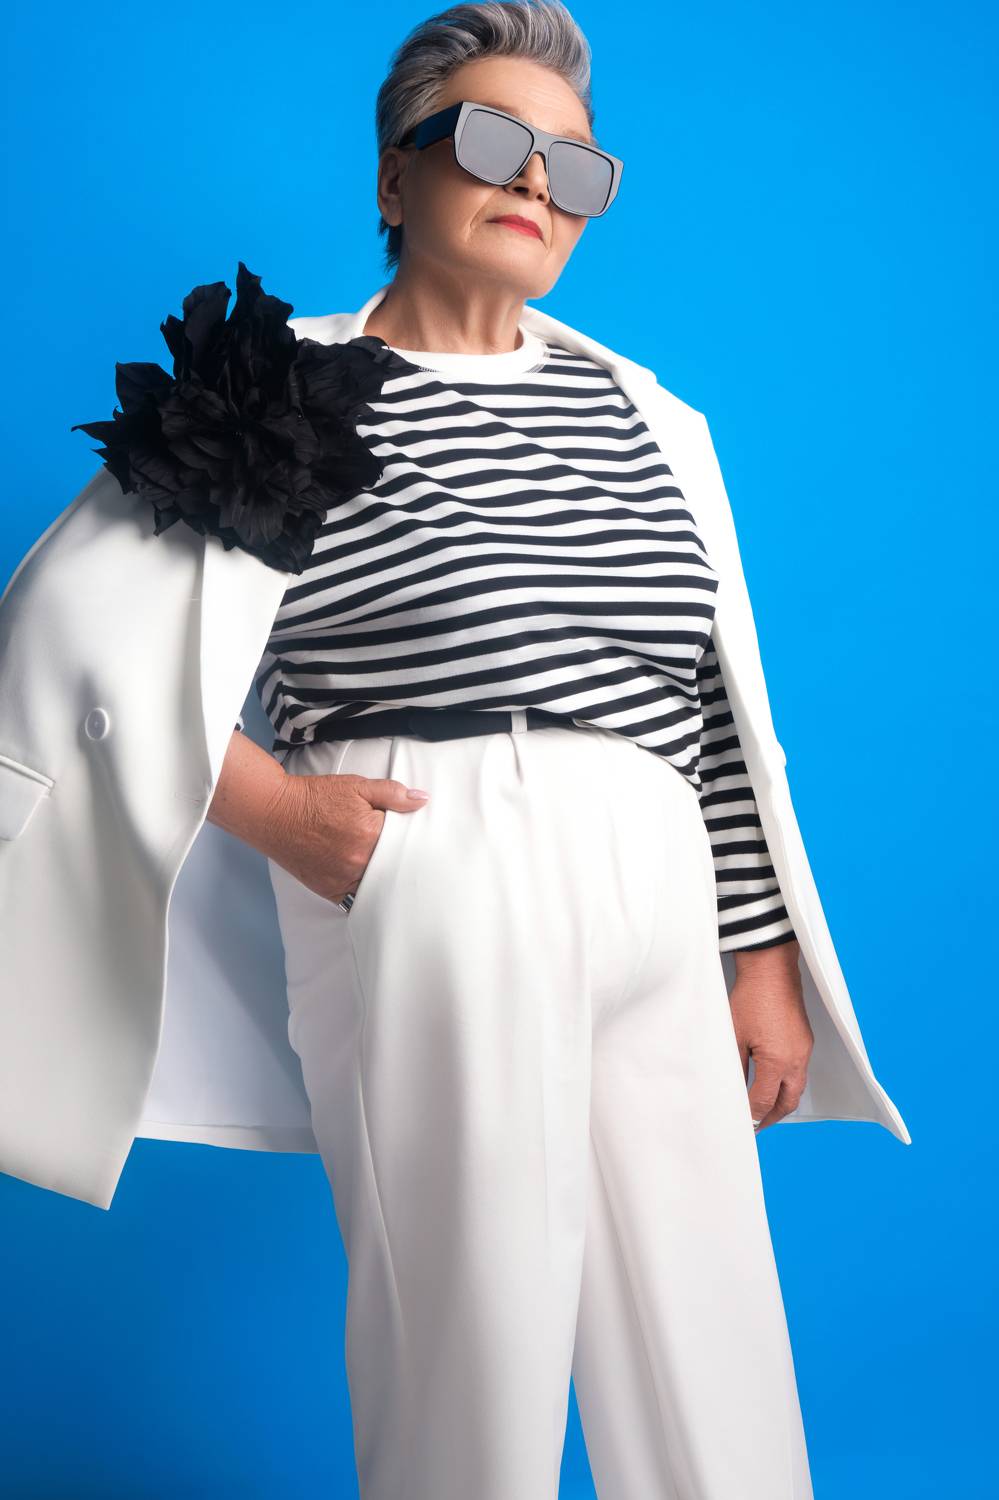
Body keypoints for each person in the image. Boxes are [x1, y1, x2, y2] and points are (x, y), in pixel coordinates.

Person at [211, 4, 812, 1495]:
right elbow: (75, 666)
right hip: (441, 849)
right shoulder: (282, 390)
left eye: (574, 163)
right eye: (491, 139)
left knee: (714, 1345)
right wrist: (278, 811)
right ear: (393, 175)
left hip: (658, 875)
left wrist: (757, 952)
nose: (537, 180)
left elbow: (707, 701)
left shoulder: (648, 415)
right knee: (470, 1351)